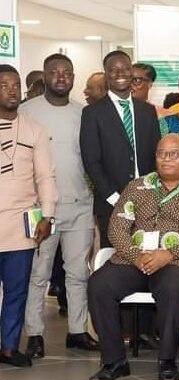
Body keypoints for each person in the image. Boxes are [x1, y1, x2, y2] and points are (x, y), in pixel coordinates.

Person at [87, 134, 179, 380]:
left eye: (174, 154)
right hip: (132, 260)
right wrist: (138, 257)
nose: (166, 159)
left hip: (175, 263)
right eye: (161, 154)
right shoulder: (137, 186)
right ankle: (114, 361)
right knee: (98, 284)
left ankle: (168, 361)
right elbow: (116, 230)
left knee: (173, 288)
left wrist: (168, 254)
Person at [21, 53, 99, 359]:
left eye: (67, 72)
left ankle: (78, 331)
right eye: (55, 72)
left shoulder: (85, 114)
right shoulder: (27, 112)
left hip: (80, 204)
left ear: (73, 77)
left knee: (78, 272)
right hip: (40, 208)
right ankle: (35, 334)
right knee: (38, 274)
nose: (61, 77)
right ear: (44, 75)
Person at [0, 64, 57, 367]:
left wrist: (47, 216)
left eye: (15, 84)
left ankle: (8, 346)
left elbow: (46, 177)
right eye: (4, 84)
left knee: (17, 291)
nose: (11, 90)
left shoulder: (35, 129)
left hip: (21, 225)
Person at [80, 50, 162, 248]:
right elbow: (91, 161)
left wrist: (153, 193)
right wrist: (114, 198)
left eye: (125, 68)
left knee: (147, 254)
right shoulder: (92, 113)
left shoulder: (147, 111)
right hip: (111, 203)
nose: (120, 74)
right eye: (113, 70)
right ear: (106, 74)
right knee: (115, 260)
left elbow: (155, 155)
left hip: (147, 201)